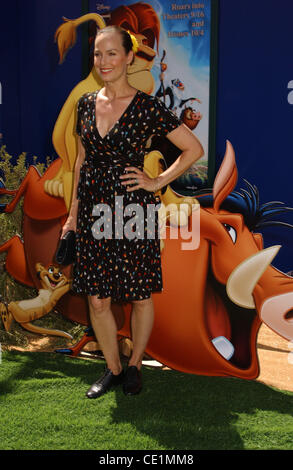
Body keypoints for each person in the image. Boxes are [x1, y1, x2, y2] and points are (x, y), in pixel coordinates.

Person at [60, 25, 204, 399]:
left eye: (111, 53)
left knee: (140, 296)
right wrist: (73, 216)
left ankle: (136, 364)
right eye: (97, 53)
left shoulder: (147, 107)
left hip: (132, 210)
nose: (103, 61)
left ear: (128, 57)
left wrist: (156, 183)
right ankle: (112, 368)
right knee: (97, 298)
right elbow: (82, 163)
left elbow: (193, 149)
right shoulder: (85, 104)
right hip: (93, 210)